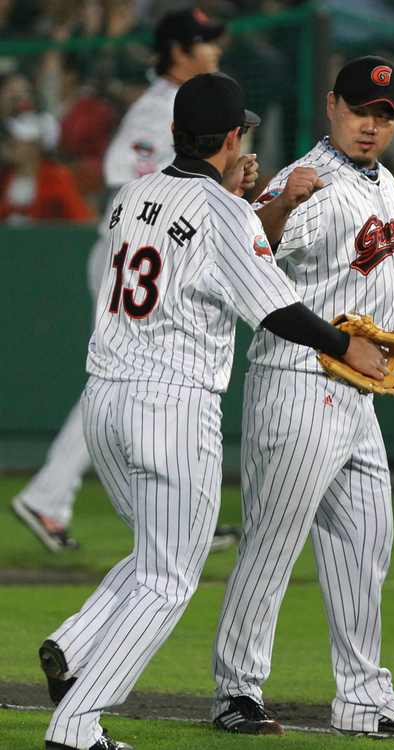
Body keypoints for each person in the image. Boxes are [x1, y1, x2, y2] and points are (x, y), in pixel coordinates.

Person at [37, 71, 385, 750]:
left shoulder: (135, 192)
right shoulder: (226, 214)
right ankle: (77, 723)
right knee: (170, 578)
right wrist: (347, 344)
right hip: (169, 408)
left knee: (153, 557)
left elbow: (191, 243)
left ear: (175, 133)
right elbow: (275, 307)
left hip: (105, 403)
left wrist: (235, 197)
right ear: (232, 137)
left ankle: (75, 646)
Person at [210, 56, 394, 737]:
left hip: (358, 397)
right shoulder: (308, 183)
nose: (370, 126)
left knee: (365, 544)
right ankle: (237, 691)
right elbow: (254, 250)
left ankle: (364, 697)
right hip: (300, 383)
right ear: (332, 105)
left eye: (384, 115)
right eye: (360, 110)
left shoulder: (385, 182)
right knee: (274, 544)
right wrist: (281, 204)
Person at [10, 7, 240, 553]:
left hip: (153, 257)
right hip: (135, 256)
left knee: (129, 382)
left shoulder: (184, 107)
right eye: (205, 44)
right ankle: (147, 513)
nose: (215, 52)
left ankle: (56, 496)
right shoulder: (156, 110)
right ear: (179, 52)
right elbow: (125, 182)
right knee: (134, 381)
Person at [0, 110, 95, 223]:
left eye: (18, 141)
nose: (11, 144)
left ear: (37, 147)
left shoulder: (56, 177)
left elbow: (79, 219)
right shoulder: (7, 176)